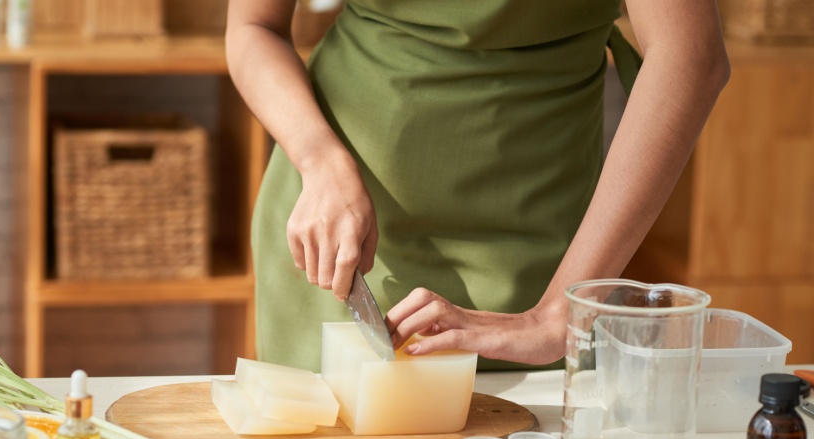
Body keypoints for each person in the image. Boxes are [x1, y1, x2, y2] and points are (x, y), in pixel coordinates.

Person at [226, 0, 729, 371]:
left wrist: (557, 316)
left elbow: (690, 54)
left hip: (539, 249)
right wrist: (318, 159)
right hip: (337, 225)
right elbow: (254, 27)